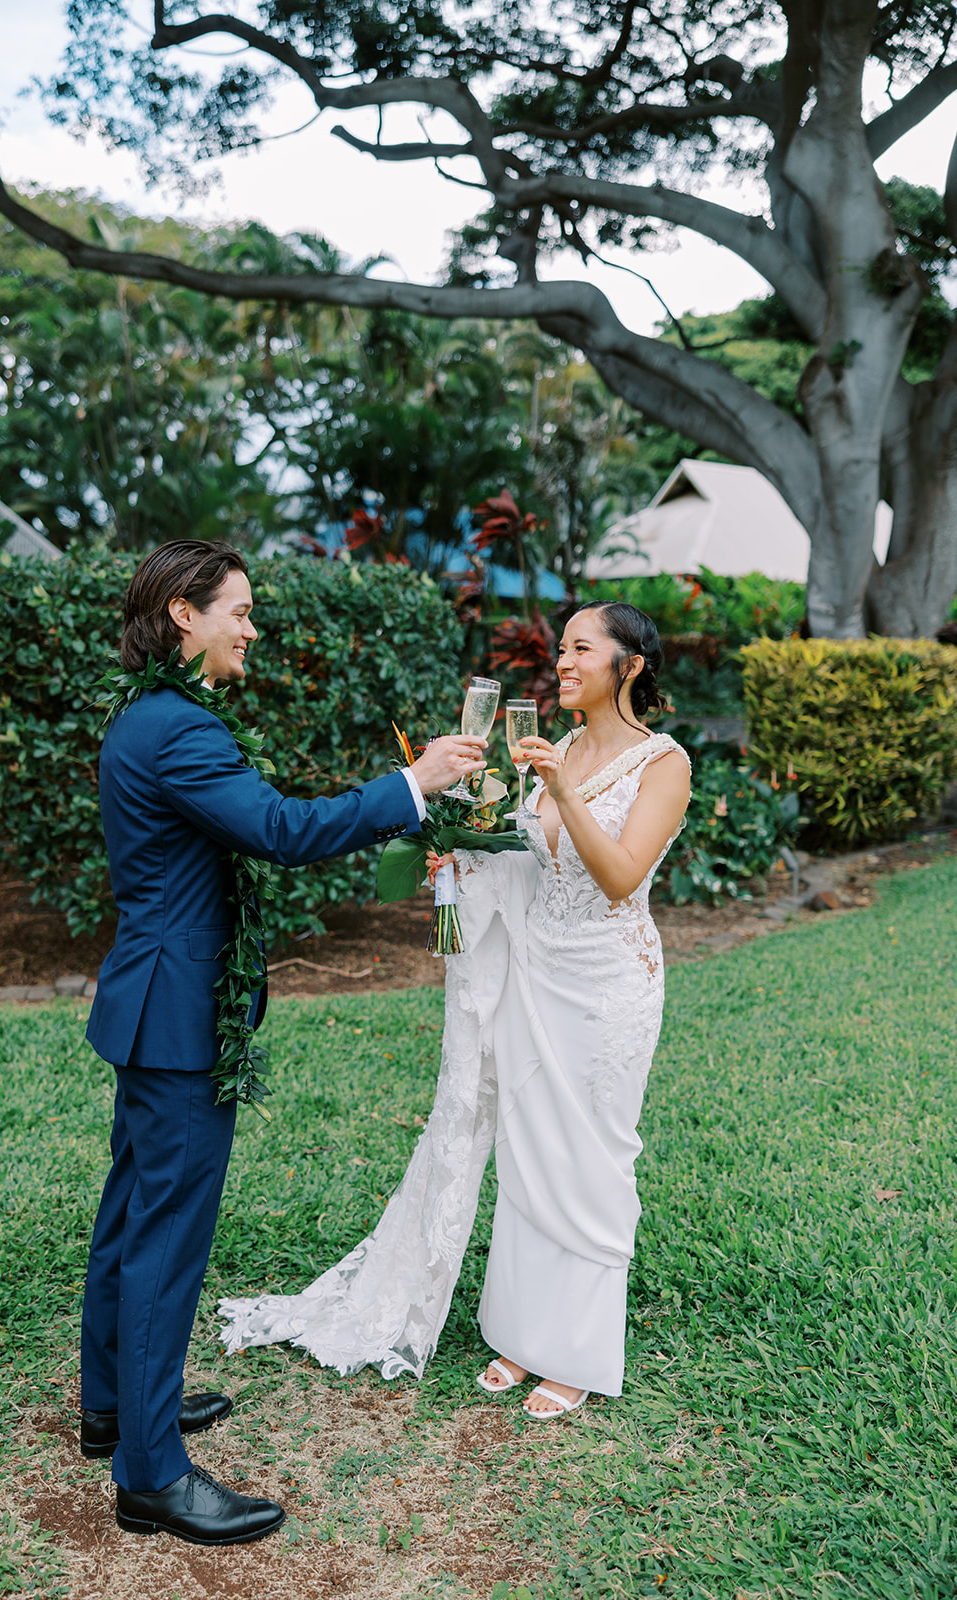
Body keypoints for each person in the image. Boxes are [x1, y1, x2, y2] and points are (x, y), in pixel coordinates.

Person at [80, 539, 487, 1546]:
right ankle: (150, 1476)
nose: (252, 627)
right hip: (176, 1016)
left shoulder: (150, 716)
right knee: (164, 1237)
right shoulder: (175, 727)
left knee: (133, 1213)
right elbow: (277, 828)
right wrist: (413, 781)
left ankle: (113, 1410)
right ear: (186, 615)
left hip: (153, 1000)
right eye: (241, 610)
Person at [219, 601, 690, 1422]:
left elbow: (617, 878)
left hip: (608, 984)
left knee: (591, 1154)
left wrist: (559, 789)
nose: (563, 662)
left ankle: (576, 1349)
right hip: (535, 975)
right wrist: (462, 861)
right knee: (527, 1147)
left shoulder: (663, 763)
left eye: (582, 648)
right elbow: (531, 869)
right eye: (561, 649)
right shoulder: (566, 745)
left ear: (631, 665)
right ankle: (520, 1330)